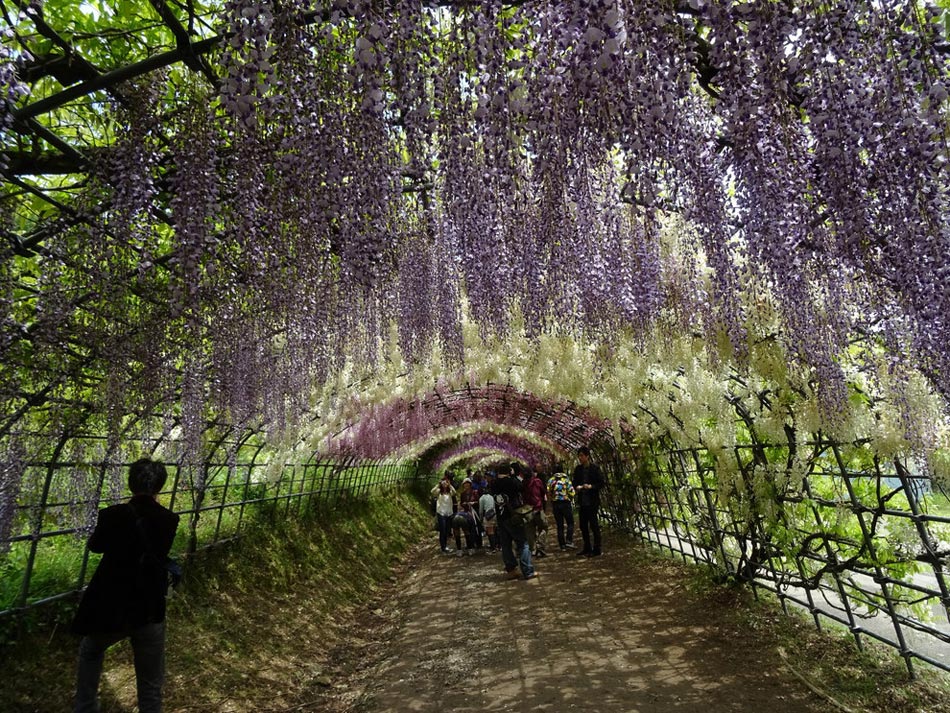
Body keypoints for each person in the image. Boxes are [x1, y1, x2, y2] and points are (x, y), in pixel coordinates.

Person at [72, 457, 181, 713]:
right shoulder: (168, 519)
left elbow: (96, 546)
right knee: (151, 682)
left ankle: (86, 706)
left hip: (111, 603)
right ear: (160, 486)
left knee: (90, 651)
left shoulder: (112, 515)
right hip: (149, 606)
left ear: (130, 483)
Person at [492, 463, 536, 580]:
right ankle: (528, 571)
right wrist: (513, 476)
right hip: (513, 517)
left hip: (501, 518)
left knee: (506, 545)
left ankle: (511, 570)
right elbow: (521, 487)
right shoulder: (511, 482)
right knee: (523, 543)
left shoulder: (493, 483)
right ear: (509, 471)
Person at [572, 446, 604, 557]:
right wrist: (578, 487)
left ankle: (597, 549)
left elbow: (601, 483)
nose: (580, 458)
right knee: (583, 525)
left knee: (594, 525)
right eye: (579, 456)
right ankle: (587, 547)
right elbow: (574, 483)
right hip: (582, 501)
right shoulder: (578, 469)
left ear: (587, 456)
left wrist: (591, 486)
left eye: (582, 455)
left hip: (592, 501)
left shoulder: (595, 468)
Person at [547, 464, 576, 550]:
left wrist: (553, 498)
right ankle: (569, 541)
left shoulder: (551, 480)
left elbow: (548, 492)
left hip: (556, 504)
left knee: (560, 525)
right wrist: (569, 498)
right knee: (570, 522)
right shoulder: (566, 480)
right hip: (565, 503)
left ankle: (562, 545)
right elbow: (572, 492)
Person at [522, 467, 548, 558]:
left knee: (530, 531)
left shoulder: (523, 483)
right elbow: (543, 492)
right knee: (543, 527)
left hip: (527, 510)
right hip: (538, 508)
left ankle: (532, 549)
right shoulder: (537, 481)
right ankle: (540, 546)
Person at [431, 475, 457, 553]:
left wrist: (450, 485)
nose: (445, 484)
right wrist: (438, 485)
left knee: (447, 530)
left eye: (446, 482)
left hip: (449, 513)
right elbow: (432, 492)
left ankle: (445, 546)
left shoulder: (450, 492)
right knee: (443, 530)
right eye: (443, 482)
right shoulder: (439, 492)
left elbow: (454, 492)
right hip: (441, 513)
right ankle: (443, 547)